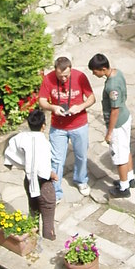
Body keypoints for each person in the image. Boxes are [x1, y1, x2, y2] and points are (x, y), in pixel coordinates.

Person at [38, 56, 95, 200]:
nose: (63, 79)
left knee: (81, 155)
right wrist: (53, 107)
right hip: (58, 126)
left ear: (71, 69)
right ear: (55, 71)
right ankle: (55, 191)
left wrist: (80, 106)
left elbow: (92, 98)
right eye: (60, 76)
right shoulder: (48, 79)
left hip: (79, 123)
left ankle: (81, 180)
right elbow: (42, 101)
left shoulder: (80, 77)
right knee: (56, 159)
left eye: (66, 76)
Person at [3, 108, 57, 240]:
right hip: (43, 184)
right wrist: (51, 174)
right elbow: (41, 167)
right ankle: (48, 237)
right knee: (48, 210)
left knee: (33, 209)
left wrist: (19, 164)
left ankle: (32, 236)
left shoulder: (21, 137)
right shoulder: (43, 143)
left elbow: (10, 150)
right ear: (43, 125)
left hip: (28, 180)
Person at [88, 53, 135, 198]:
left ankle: (124, 187)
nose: (93, 73)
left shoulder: (111, 86)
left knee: (119, 156)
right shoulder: (117, 73)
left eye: (94, 71)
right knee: (125, 149)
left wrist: (109, 132)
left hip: (117, 124)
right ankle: (130, 177)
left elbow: (115, 110)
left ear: (102, 69)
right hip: (125, 118)